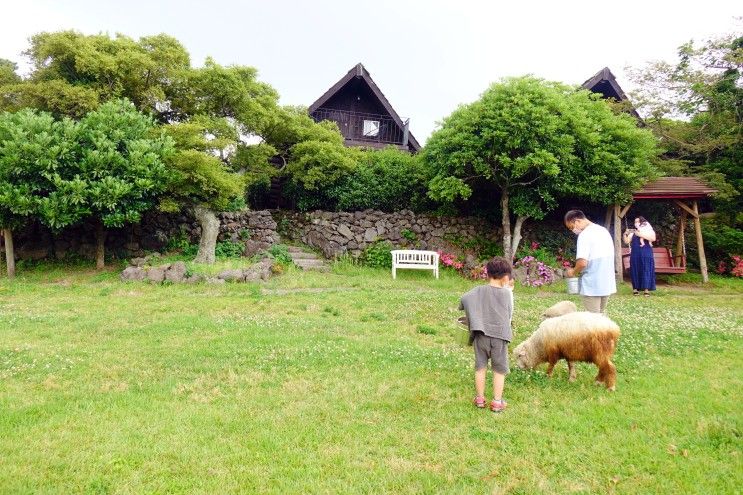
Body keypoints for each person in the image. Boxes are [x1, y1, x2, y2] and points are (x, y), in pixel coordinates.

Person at [459, 257, 513, 413]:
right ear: (505, 277)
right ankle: (497, 402)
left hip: (481, 335)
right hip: (500, 337)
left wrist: (469, 311)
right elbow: (509, 315)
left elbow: (464, 299)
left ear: (487, 274)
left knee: (480, 367)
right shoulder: (506, 294)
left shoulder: (478, 290)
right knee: (499, 369)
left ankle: (480, 399)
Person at [564, 209, 616, 314]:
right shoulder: (603, 231)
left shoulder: (585, 235)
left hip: (593, 283)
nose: (573, 230)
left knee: (592, 320)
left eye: (571, 227)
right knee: (601, 316)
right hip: (606, 282)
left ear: (577, 221)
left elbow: (582, 263)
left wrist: (572, 272)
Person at [623, 216, 657, 297]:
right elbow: (626, 241)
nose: (636, 223)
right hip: (635, 254)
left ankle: (646, 289)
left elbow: (653, 238)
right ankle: (635, 289)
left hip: (647, 254)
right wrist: (625, 234)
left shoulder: (649, 231)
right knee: (635, 270)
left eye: (638, 221)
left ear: (642, 223)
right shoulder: (633, 233)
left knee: (646, 270)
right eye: (635, 222)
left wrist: (640, 234)